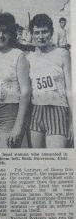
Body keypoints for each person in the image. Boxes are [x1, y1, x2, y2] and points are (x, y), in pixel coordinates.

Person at [0, 13, 31, 148]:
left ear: (11, 34)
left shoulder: (18, 56)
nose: (1, 35)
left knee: (8, 159)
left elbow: (25, 93)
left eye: (5, 31)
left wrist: (18, 127)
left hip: (10, 113)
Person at [27, 14, 72, 148]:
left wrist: (73, 121)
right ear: (32, 35)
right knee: (37, 161)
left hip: (58, 110)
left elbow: (70, 89)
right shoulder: (28, 58)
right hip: (35, 111)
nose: (41, 36)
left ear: (51, 33)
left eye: (44, 32)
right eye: (37, 33)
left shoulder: (62, 54)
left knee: (55, 159)